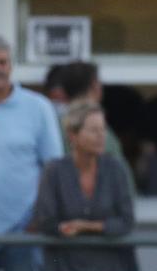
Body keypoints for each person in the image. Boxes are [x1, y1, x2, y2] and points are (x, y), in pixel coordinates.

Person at [33, 101, 137, 271]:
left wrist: (85, 226)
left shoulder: (116, 168)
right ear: (72, 135)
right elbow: (44, 220)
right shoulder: (54, 170)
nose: (101, 136)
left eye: (103, 129)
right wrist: (63, 229)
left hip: (113, 269)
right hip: (65, 269)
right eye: (93, 130)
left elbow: (127, 221)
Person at [0, 35, 64, 271]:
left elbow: (53, 169)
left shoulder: (37, 107)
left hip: (22, 232)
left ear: (11, 66)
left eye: (2, 62)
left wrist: (36, 221)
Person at [57, 61, 135, 194]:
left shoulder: (54, 123)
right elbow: (122, 181)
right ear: (94, 86)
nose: (99, 135)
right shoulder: (99, 129)